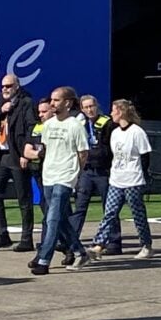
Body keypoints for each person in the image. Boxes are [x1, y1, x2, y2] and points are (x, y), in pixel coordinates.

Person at [25, 86, 92, 275]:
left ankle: (44, 259)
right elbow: (45, 148)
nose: (52, 103)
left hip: (65, 175)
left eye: (56, 100)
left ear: (68, 103)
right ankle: (80, 251)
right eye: (52, 100)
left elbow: (83, 153)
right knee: (60, 219)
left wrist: (75, 174)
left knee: (52, 217)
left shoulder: (75, 125)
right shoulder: (48, 125)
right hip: (49, 175)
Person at [0, 74, 37, 252]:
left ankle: (27, 238)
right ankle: (1, 235)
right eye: (3, 86)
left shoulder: (26, 102)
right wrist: (1, 110)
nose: (5, 89)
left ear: (17, 86)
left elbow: (31, 128)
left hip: (17, 154)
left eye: (9, 86)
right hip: (1, 156)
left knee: (24, 198)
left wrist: (26, 153)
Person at [89, 99, 155, 259]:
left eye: (114, 110)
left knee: (138, 214)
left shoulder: (137, 132)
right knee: (109, 212)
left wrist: (142, 175)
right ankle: (99, 245)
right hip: (116, 179)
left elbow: (145, 156)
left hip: (133, 179)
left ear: (122, 111)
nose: (111, 113)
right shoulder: (115, 132)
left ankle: (146, 245)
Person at [72, 95, 117, 254]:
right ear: (82, 109)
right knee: (80, 206)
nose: (90, 110)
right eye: (86, 107)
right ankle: (72, 241)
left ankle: (114, 242)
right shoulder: (79, 124)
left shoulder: (107, 123)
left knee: (109, 207)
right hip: (86, 171)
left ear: (96, 106)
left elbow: (111, 147)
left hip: (103, 171)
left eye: (92, 106)